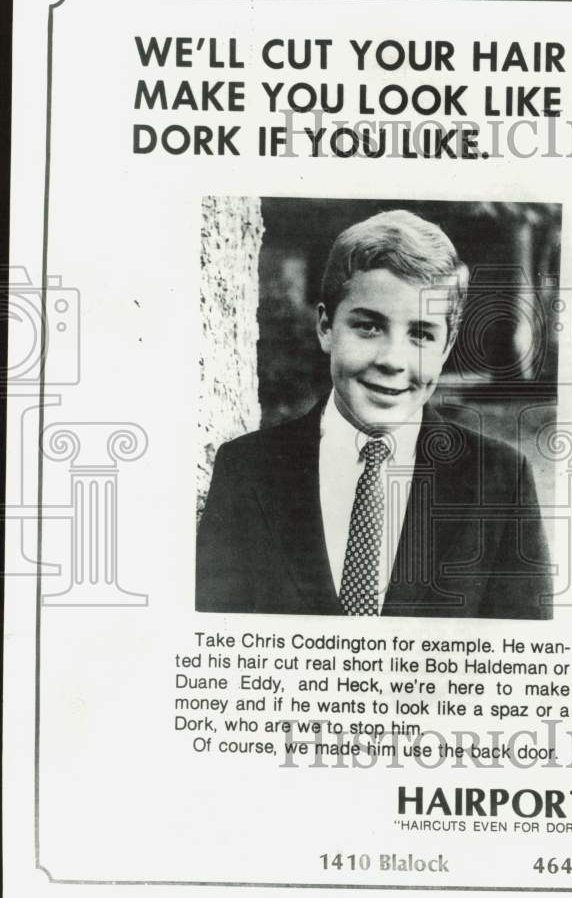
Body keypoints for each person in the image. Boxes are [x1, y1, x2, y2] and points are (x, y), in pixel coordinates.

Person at [196, 209, 552, 618]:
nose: (392, 360)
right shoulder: (248, 470)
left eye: (421, 334)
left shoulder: (500, 482)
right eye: (368, 326)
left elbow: (521, 656)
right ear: (326, 327)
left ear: (448, 345)